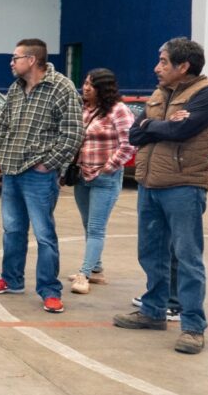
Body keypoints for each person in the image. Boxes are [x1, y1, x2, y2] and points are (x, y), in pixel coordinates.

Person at [114, 37, 208, 355]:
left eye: (163, 62)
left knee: (186, 257)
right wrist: (158, 124)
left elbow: (182, 131)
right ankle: (153, 312)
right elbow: (134, 134)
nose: (157, 68)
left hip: (183, 186)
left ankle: (193, 326)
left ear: (183, 66)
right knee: (151, 253)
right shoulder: (159, 94)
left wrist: (152, 125)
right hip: (149, 184)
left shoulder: (206, 94)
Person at [0, 39, 83, 315]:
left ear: (31, 60)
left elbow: (73, 132)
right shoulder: (16, 89)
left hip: (39, 176)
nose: (11, 62)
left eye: (15, 57)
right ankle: (12, 279)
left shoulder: (62, 87)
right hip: (11, 171)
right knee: (12, 230)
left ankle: (50, 290)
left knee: (44, 235)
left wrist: (48, 164)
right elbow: (3, 125)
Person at [66, 68, 135, 295]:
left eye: (92, 84)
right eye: (85, 83)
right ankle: (96, 269)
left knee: (96, 228)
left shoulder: (119, 110)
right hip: (81, 175)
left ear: (103, 88)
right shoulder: (84, 109)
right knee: (88, 224)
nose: (86, 88)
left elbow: (130, 143)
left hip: (105, 178)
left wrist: (110, 166)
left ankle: (84, 274)